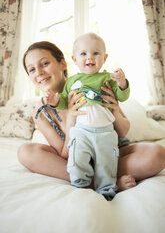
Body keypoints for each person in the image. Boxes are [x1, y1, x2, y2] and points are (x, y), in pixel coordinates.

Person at [18, 40, 165, 197]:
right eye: (32, 70)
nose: (39, 72)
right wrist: (70, 120)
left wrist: (114, 109)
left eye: (44, 63)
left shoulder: (91, 83)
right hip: (76, 159)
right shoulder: (41, 113)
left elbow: (122, 133)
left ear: (63, 64)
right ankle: (104, 183)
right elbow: (65, 155)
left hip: (109, 152)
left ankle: (99, 178)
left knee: (157, 153)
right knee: (25, 152)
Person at [44, 33, 130, 200]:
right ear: (74, 59)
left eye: (96, 53)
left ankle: (106, 190)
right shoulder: (71, 81)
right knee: (77, 159)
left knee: (107, 163)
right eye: (83, 54)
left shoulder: (107, 78)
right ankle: (80, 186)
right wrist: (55, 101)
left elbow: (122, 96)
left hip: (105, 131)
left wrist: (121, 83)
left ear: (104, 58)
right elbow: (64, 103)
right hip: (81, 130)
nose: (89, 57)